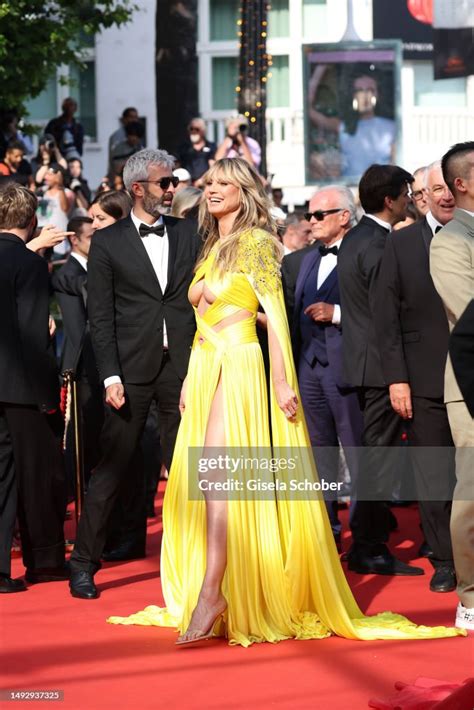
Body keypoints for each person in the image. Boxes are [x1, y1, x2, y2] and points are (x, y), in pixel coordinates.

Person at [107, 158, 463, 645]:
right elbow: (200, 323)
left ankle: (214, 591)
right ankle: (219, 585)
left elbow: (274, 315)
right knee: (208, 481)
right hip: (208, 368)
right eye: (209, 183)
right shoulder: (212, 247)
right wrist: (191, 377)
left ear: (244, 191)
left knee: (218, 477)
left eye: (224, 184)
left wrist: (280, 380)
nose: (212, 190)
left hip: (239, 369)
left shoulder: (254, 242)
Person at [68, 148, 201, 599]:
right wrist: (110, 377)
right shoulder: (108, 242)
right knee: (112, 468)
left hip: (182, 370)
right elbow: (100, 318)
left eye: (174, 183)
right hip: (130, 372)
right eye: (164, 183)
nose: (172, 190)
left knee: (187, 468)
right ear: (137, 187)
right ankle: (83, 563)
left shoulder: (188, 233)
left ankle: (199, 564)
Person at [373, 161, 457, 593]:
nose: (445, 195)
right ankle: (445, 560)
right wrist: (397, 379)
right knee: (433, 470)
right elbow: (385, 318)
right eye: (436, 188)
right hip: (422, 380)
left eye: (451, 188)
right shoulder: (402, 244)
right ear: (422, 194)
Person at [337, 164, 424, 577]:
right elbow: (386, 317)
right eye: (407, 192)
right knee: (379, 461)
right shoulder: (378, 245)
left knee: (374, 459)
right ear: (390, 200)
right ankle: (369, 548)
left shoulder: (357, 238)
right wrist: (398, 377)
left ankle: (368, 544)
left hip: (365, 365)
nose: (410, 198)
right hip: (381, 370)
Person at [283, 186, 363, 550]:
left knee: (357, 452)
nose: (310, 222)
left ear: (343, 217)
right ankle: (327, 530)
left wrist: (338, 314)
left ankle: (365, 536)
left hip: (348, 367)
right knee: (319, 454)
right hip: (308, 368)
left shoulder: (365, 253)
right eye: (308, 216)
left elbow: (383, 310)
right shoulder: (300, 260)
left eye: (318, 215)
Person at [0, 183, 68, 593]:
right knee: (39, 474)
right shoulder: (28, 265)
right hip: (23, 387)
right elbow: (32, 333)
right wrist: (48, 394)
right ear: (31, 220)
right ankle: (43, 563)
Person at [429, 141, 474, 631]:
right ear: (460, 183)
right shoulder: (450, 242)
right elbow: (469, 311)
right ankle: (471, 597)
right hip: (469, 382)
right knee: (473, 493)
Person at [309, 66, 396, 179]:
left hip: (380, 192)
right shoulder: (343, 126)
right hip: (350, 189)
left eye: (370, 90)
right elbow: (308, 110)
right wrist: (320, 68)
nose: (365, 96)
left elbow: (395, 167)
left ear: (377, 94)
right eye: (359, 90)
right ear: (352, 95)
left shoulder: (391, 128)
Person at [176, 118, 216, 186]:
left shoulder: (211, 146)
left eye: (197, 129)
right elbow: (177, 165)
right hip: (186, 184)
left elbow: (213, 166)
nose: (193, 131)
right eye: (191, 129)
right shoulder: (183, 147)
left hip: (205, 183)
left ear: (203, 131)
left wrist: (202, 180)